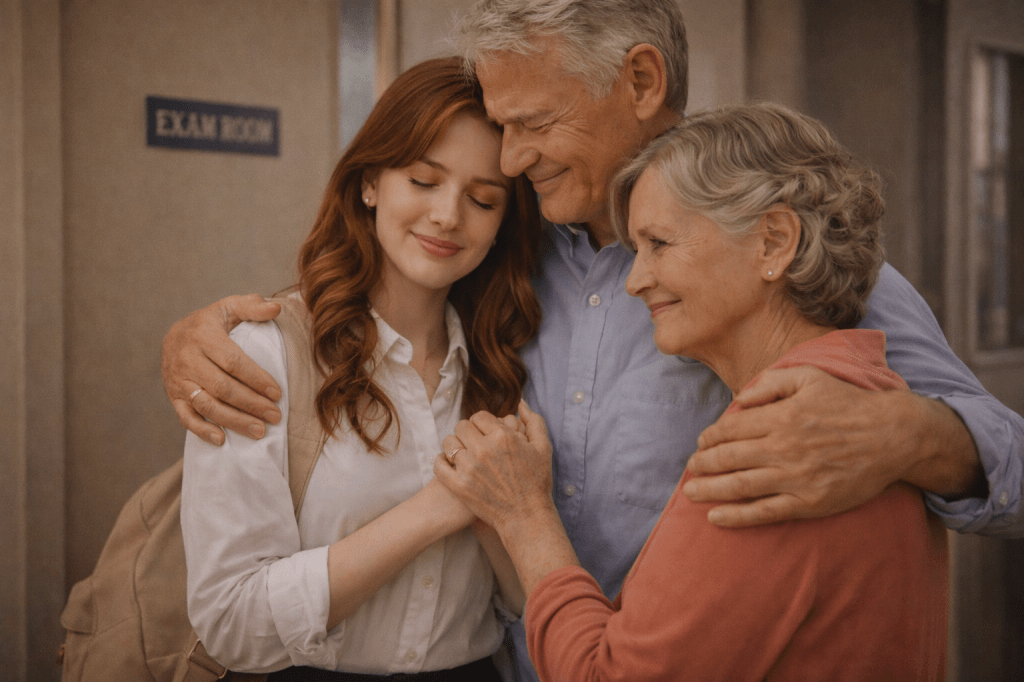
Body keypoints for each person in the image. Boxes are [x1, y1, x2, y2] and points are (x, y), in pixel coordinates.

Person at [161, 2, 1024, 680]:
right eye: (500, 127)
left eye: (533, 121)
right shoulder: (509, 250)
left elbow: (1011, 464)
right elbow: (381, 296)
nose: (509, 157)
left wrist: (914, 435)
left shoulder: (778, 254)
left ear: (641, 81)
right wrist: (221, 332)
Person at [434, 103, 948, 681]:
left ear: (774, 242)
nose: (634, 280)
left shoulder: (775, 450)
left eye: (658, 243)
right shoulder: (865, 398)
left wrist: (525, 515)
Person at [179, 57, 542, 679]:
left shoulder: (507, 364)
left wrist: (503, 511)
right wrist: (438, 509)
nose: (448, 216)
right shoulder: (266, 353)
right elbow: (231, 621)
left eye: (482, 199)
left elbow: (514, 601)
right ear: (370, 183)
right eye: (423, 181)